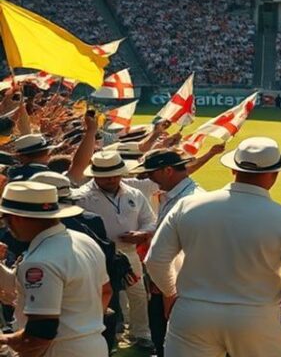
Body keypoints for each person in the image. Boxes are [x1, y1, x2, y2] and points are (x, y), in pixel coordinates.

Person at [145, 137, 281, 357]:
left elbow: (155, 260)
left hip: (193, 313)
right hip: (256, 316)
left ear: (233, 171)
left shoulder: (187, 205)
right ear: (275, 174)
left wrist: (171, 293)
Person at [0, 181, 111, 356]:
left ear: (16, 218)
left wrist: (5, 340)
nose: (6, 226)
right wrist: (81, 326)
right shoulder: (84, 240)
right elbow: (106, 291)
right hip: (93, 345)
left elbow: (39, 335)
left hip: (59, 350)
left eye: (4, 219)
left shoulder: (39, 261)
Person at [74, 151, 156, 352]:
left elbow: (150, 220)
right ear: (94, 175)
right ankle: (107, 336)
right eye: (105, 176)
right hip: (96, 256)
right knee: (103, 295)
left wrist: (143, 233)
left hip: (128, 252)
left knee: (137, 294)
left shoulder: (134, 193)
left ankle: (142, 334)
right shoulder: (81, 196)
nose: (111, 179)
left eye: (115, 174)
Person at [130, 148, 206, 357]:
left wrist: (169, 292)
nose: (150, 179)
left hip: (176, 287)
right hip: (167, 284)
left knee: (171, 342)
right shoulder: (173, 196)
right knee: (160, 337)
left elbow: (183, 251)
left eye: (152, 173)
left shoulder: (191, 200)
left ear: (168, 170)